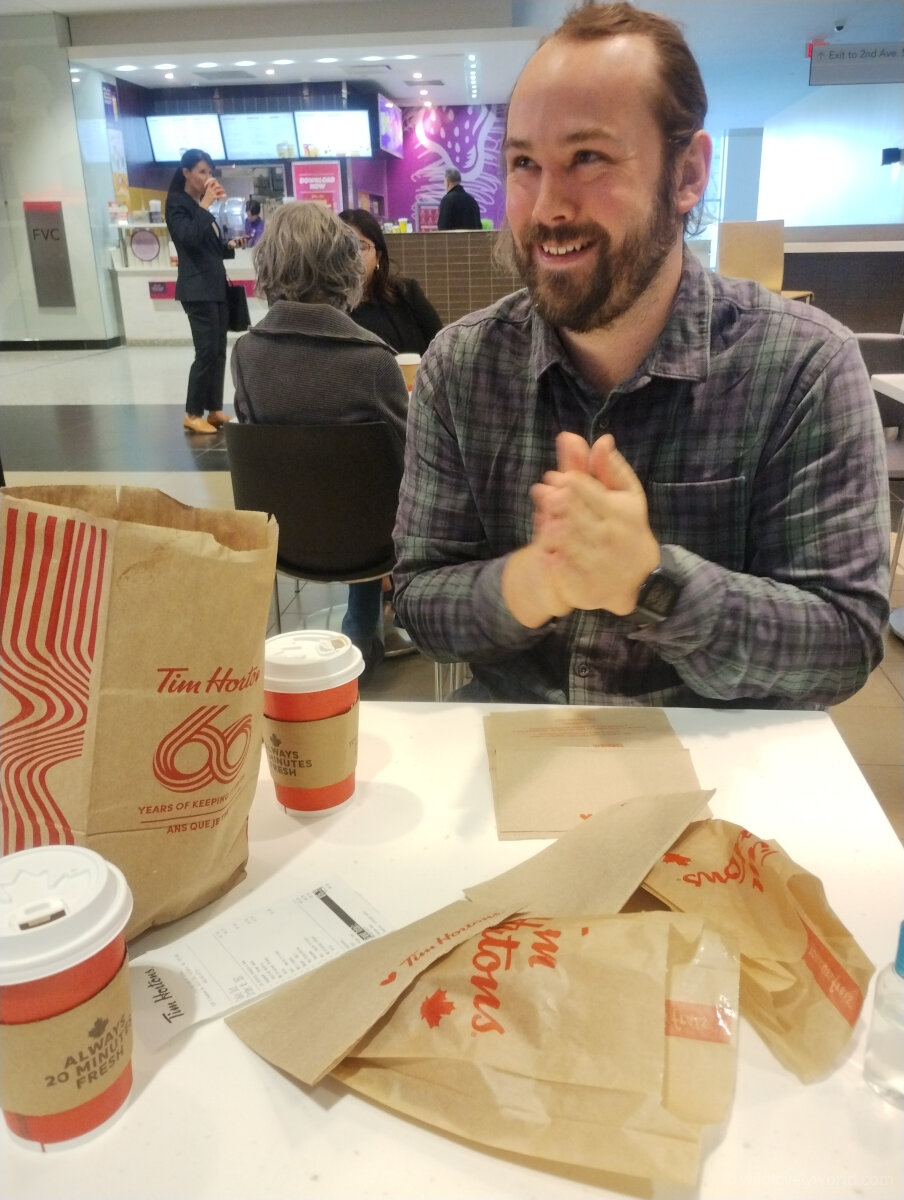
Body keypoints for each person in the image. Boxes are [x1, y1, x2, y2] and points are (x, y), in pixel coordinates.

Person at [392, 1, 890, 709]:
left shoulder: (804, 368)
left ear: (688, 173)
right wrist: (536, 580)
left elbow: (845, 641)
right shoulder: (461, 365)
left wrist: (650, 583)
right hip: (512, 758)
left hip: (725, 768)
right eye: (526, 164)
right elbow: (416, 601)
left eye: (588, 157)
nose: (546, 208)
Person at [231, 201, 409, 680]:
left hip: (283, 539)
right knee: (370, 492)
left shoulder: (246, 355)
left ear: (267, 266)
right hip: (371, 546)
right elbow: (406, 466)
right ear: (345, 266)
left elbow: (260, 451)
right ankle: (365, 626)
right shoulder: (374, 361)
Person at [165, 148, 247, 434]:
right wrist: (206, 205)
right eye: (201, 171)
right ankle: (192, 412)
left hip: (216, 287)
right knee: (206, 352)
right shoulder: (178, 204)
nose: (207, 177)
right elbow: (187, 238)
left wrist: (229, 246)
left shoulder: (198, 205)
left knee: (219, 351)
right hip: (197, 289)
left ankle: (213, 409)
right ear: (186, 173)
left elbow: (206, 245)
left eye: (209, 172)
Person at [339, 208, 443, 354]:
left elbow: (441, 346)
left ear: (378, 255)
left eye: (362, 247)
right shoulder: (328, 307)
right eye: (345, 247)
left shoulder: (406, 293)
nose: (353, 256)